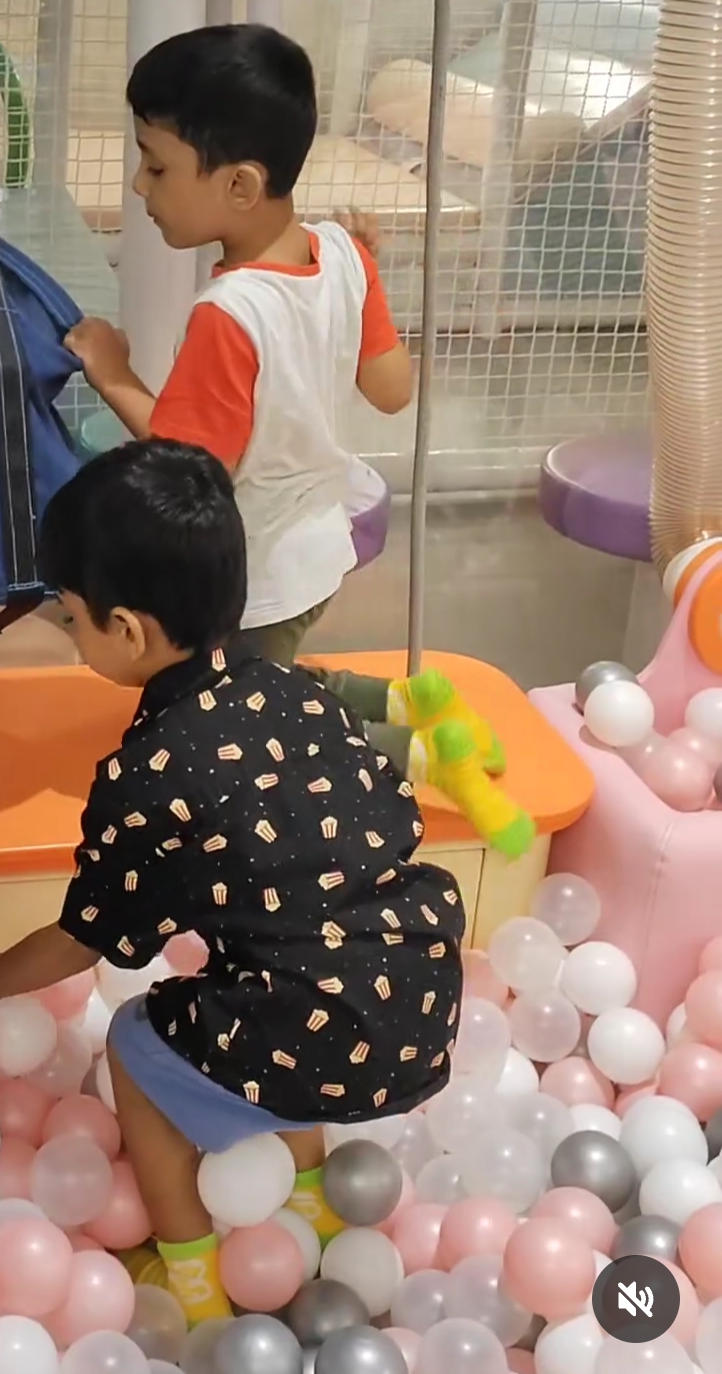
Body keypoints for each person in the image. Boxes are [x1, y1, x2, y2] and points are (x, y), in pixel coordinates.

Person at [0, 441, 465, 1326]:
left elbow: (80, 940)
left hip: (324, 1040)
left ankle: (189, 1271)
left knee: (134, 1038)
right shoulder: (296, 692)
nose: (70, 633)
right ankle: (309, 1203)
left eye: (72, 617)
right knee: (292, 965)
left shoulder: (147, 775)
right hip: (419, 1001)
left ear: (128, 631)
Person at [64, 23, 533, 860]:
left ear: (239, 184)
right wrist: (366, 286)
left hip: (256, 579)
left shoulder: (230, 315)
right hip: (319, 550)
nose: (139, 185)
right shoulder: (344, 252)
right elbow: (392, 389)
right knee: (269, 679)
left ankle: (420, 757)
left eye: (157, 166)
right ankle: (412, 700)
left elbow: (189, 471)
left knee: (253, 732)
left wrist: (111, 372)